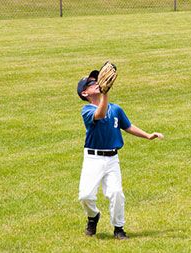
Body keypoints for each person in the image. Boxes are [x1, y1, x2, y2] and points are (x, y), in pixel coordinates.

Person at [75, 69, 164, 240]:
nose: (96, 83)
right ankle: (93, 216)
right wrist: (105, 95)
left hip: (112, 159)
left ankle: (118, 228)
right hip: (93, 159)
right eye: (91, 83)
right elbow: (99, 114)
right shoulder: (86, 110)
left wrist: (147, 135)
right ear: (84, 93)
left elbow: (128, 126)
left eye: (96, 81)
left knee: (116, 193)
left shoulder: (116, 109)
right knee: (85, 195)